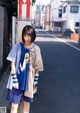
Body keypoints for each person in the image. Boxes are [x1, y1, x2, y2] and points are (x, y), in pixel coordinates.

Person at [6, 25, 44, 113]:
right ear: (23, 36)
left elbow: (37, 66)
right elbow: (13, 63)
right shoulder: (17, 46)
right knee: (14, 106)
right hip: (17, 80)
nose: (27, 38)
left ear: (33, 36)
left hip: (29, 81)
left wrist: (36, 81)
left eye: (29, 36)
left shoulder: (36, 49)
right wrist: (14, 80)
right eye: (25, 35)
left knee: (26, 105)